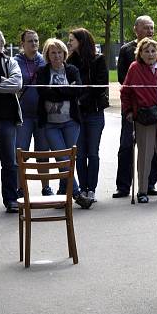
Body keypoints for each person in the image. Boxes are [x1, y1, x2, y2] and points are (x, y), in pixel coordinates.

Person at [121, 38, 157, 204]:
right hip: (144, 117)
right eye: (146, 51)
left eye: (153, 51)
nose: (150, 54)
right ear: (140, 53)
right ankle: (142, 190)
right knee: (145, 156)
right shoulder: (135, 68)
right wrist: (129, 111)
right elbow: (126, 92)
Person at [113, 16, 157, 198]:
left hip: (155, 108)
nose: (150, 31)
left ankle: (150, 183)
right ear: (136, 29)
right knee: (126, 145)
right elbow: (122, 80)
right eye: (146, 27)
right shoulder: (126, 50)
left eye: (152, 27)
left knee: (154, 148)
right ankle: (123, 186)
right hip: (134, 107)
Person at [36, 38, 83, 202]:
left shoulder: (72, 70)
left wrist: (56, 92)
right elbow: (44, 93)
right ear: (47, 55)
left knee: (69, 158)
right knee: (61, 158)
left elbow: (77, 91)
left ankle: (64, 194)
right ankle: (77, 193)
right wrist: (65, 90)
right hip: (50, 123)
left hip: (71, 121)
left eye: (60, 52)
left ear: (65, 54)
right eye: (53, 53)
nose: (57, 56)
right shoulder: (42, 72)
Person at [66, 28, 108, 206]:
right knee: (80, 154)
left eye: (72, 40)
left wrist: (81, 99)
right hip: (76, 114)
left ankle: (91, 188)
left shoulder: (98, 60)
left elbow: (100, 86)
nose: (69, 43)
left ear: (81, 41)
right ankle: (83, 188)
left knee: (93, 152)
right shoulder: (69, 61)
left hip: (94, 112)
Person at [14, 30, 52, 197]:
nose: (34, 44)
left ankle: (46, 188)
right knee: (20, 153)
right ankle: (21, 189)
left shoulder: (44, 61)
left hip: (42, 114)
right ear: (22, 44)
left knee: (43, 153)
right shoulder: (15, 62)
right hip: (23, 115)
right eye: (30, 41)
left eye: (36, 41)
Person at [0, 27, 23, 213]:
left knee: (9, 162)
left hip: (6, 119)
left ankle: (11, 199)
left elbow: (16, 84)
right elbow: (8, 84)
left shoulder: (10, 62)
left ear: (2, 43)